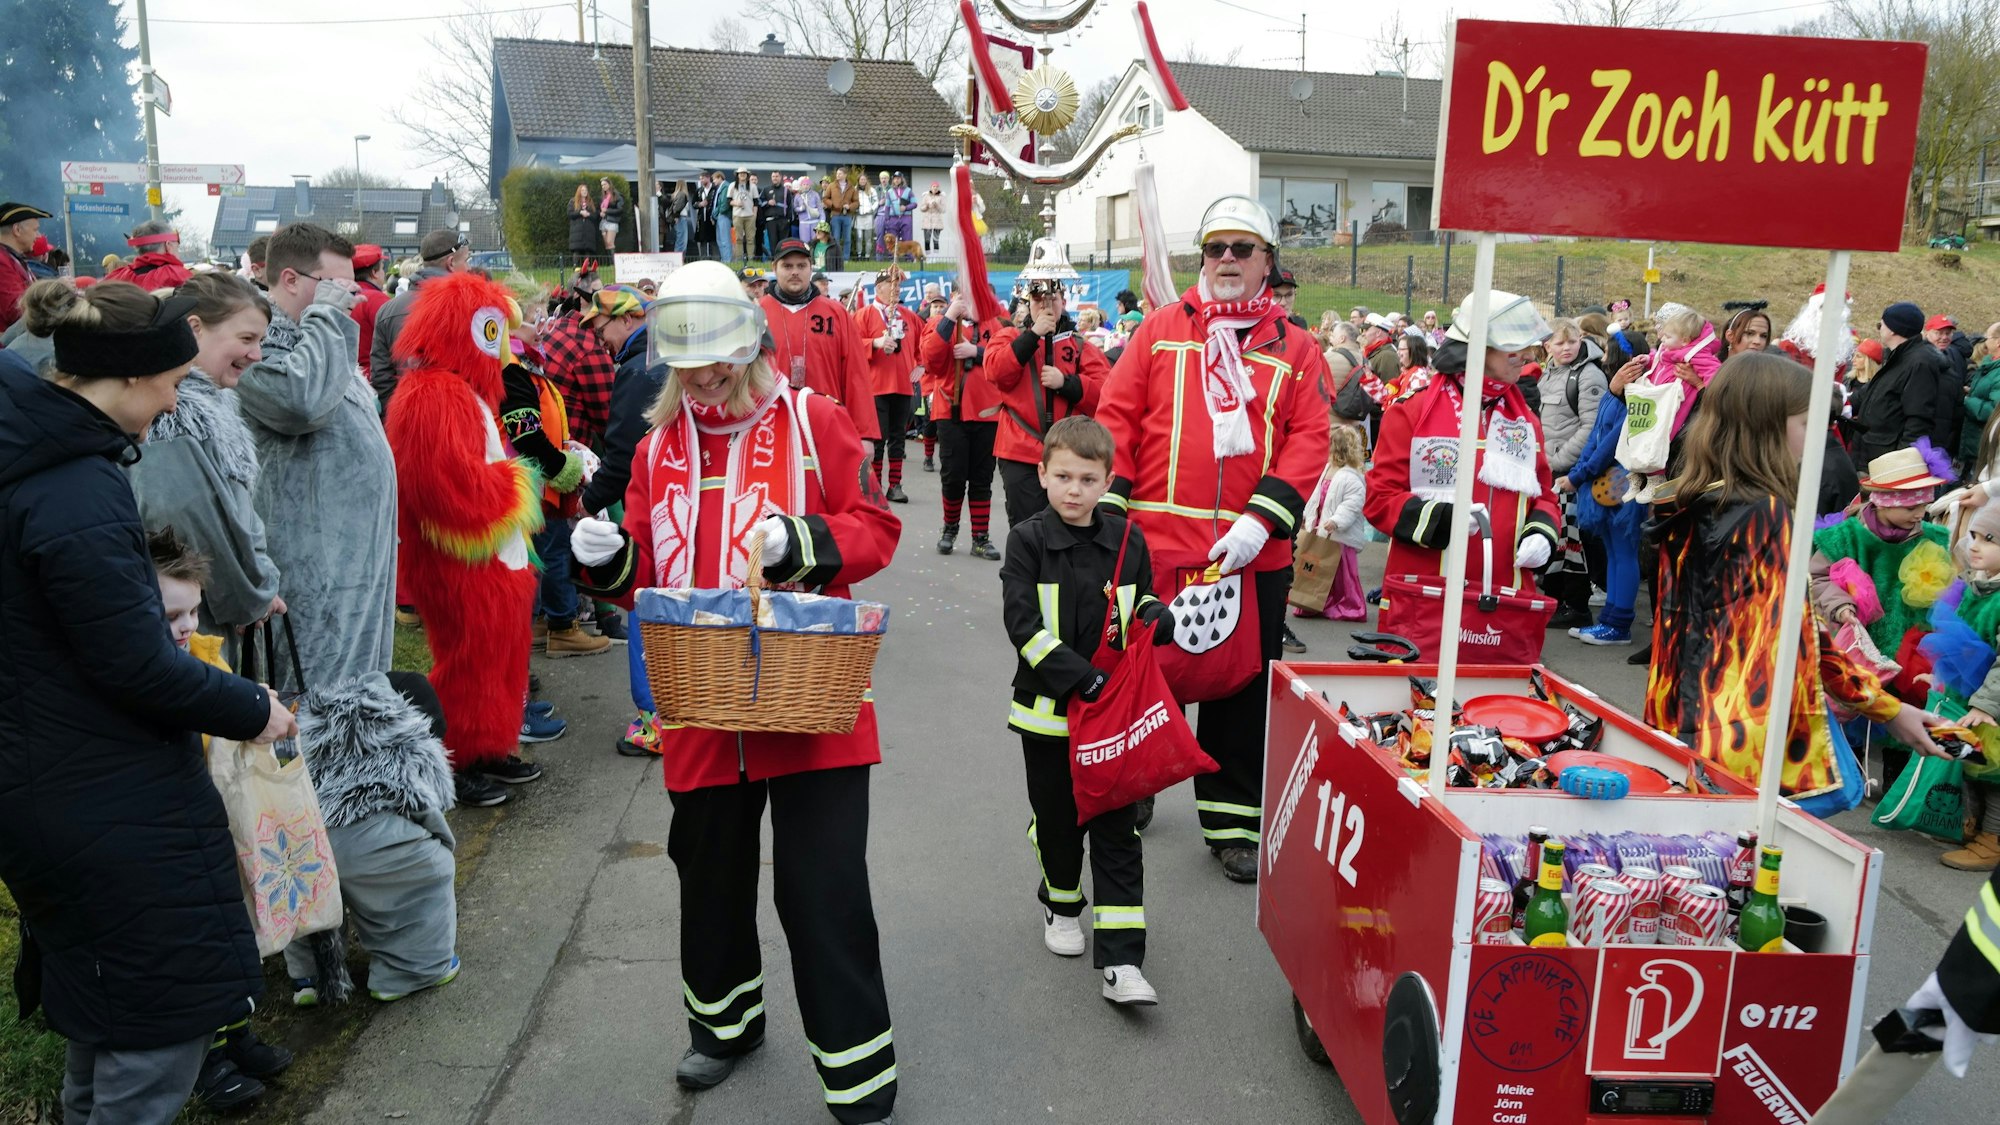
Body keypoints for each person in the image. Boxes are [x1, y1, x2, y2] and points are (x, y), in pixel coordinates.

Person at [568, 261, 901, 1124]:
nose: (706, 374)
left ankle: (859, 1074)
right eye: (689, 360)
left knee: (821, 888)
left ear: (751, 345)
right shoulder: (654, 448)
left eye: (719, 355)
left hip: (812, 704)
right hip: (702, 706)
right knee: (708, 878)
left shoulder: (814, 421)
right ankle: (725, 1026)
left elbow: (878, 527)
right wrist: (606, 561)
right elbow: (643, 563)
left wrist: (808, 540)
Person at [0, 280, 297, 1125]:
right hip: (98, 790)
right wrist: (250, 705)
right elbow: (132, 662)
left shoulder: (35, 457)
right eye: (169, 385)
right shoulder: (74, 489)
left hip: (44, 776)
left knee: (106, 996)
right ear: (128, 379)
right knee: (162, 1014)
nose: (172, 405)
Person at [1095, 195, 1330, 882]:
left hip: (1251, 554)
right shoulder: (1163, 328)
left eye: (1242, 249)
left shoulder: (1297, 346)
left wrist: (1262, 522)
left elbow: (1310, 438)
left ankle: (1230, 824)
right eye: (1215, 248)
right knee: (1144, 680)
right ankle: (1135, 784)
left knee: (1239, 693)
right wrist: (1111, 513)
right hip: (1156, 543)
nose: (1226, 259)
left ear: (1266, 263)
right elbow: (1118, 413)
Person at [1648, 353, 1948, 802]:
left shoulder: (1690, 500)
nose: (1820, 440)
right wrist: (1885, 707)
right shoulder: (1765, 515)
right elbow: (1799, 632)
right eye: (1808, 424)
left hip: (1678, 716)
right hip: (1742, 734)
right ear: (1766, 426)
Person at [235, 225, 456, 808]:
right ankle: (319, 816)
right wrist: (330, 319)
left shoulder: (317, 334)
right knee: (322, 695)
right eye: (334, 285)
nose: (351, 296)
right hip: (315, 566)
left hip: (358, 557)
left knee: (362, 688)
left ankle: (360, 801)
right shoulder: (259, 346)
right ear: (289, 279)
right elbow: (300, 402)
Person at [999, 415, 1170, 1005]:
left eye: (1088, 479)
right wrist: (1081, 677)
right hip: (1047, 717)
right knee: (1058, 821)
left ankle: (1123, 961)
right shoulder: (1026, 540)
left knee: (1117, 828)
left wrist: (1154, 614)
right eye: (1063, 476)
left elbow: (1140, 594)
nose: (1074, 490)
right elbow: (1022, 626)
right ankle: (1062, 904)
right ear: (1042, 473)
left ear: (1108, 482)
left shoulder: (1128, 539)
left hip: (1112, 716)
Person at [386, 270, 554, 803]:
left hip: (494, 556)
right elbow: (445, 488)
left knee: (501, 654)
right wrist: (517, 482)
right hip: (462, 562)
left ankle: (489, 745)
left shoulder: (461, 390)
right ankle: (456, 757)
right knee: (469, 658)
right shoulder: (433, 394)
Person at [146, 528, 294, 1109]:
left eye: (192, 611)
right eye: (170, 616)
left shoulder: (204, 654)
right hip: (173, 838)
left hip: (218, 826)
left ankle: (236, 1034)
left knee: (230, 938)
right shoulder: (148, 676)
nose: (185, 626)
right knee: (191, 956)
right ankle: (204, 1061)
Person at [1366, 290, 1559, 658]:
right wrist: (1443, 521)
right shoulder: (1411, 412)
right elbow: (1379, 499)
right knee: (1415, 709)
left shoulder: (1526, 422)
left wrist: (1543, 533)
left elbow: (1544, 496)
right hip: (1426, 600)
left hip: (1504, 600)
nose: (1528, 358)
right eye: (1514, 350)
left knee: (1496, 708)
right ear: (1478, 350)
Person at [126, 273, 283, 642]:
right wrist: (249, 596)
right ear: (195, 327)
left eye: (260, 341)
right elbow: (184, 520)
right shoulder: (174, 412)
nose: (256, 354)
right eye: (246, 339)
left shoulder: (207, 402)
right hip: (192, 616)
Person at [1811, 444, 1958, 788]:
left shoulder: (1934, 539)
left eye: (1923, 504)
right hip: (1857, 638)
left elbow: (1951, 588)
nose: (1919, 512)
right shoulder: (1845, 536)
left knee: (1906, 701)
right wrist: (1839, 605)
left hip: (1910, 640)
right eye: (1910, 505)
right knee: (1851, 697)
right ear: (1882, 500)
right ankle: (1847, 770)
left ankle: (1897, 779)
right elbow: (1816, 576)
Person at [576, 285, 664, 756]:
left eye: (601, 326)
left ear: (629, 320)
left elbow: (623, 456)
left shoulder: (638, 369)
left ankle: (655, 723)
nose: (598, 338)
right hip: (681, 499)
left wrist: (589, 502)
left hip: (652, 505)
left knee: (645, 601)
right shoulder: (666, 353)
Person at [984, 242, 1108, 528]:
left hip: (1071, 453)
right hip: (1020, 449)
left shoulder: (1080, 346)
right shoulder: (1008, 336)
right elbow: (996, 371)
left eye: (1052, 298)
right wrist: (1034, 335)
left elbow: (1104, 393)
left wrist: (1067, 383)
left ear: (1063, 300)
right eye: (1038, 298)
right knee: (1027, 529)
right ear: (1029, 301)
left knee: (1068, 531)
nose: (1046, 304)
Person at [1913, 502, 2000, 872]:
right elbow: (1958, 645)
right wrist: (1941, 677)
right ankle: (1969, 823)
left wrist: (1987, 704)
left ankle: (1992, 838)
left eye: (1990, 539)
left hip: (1990, 704)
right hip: (1967, 699)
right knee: (1968, 762)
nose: (1975, 545)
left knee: (1994, 772)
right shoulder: (1972, 588)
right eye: (1975, 536)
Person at [761, 238, 879, 451]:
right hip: (768, 429)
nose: (794, 272)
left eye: (801, 266)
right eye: (787, 266)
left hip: (827, 426)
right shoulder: (757, 314)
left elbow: (856, 374)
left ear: (810, 268)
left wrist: (865, 434)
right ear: (774, 268)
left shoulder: (836, 313)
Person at [920, 281, 1005, 557]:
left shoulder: (996, 324)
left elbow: (1006, 360)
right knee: (953, 476)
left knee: (982, 478)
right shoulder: (939, 322)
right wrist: (949, 316)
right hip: (951, 410)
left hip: (987, 413)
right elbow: (931, 359)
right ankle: (949, 529)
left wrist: (977, 352)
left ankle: (981, 536)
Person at [1536, 317, 1610, 631]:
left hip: (1571, 473)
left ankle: (1576, 605)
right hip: (1553, 469)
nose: (1566, 348)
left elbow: (1592, 429)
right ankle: (1559, 600)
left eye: (1572, 341)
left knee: (1573, 543)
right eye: (1559, 342)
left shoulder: (1589, 375)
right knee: (1560, 538)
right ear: (1547, 346)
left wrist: (1557, 462)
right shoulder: (1549, 374)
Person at [1618, 303, 1720, 505]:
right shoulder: (1669, 349)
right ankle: (1638, 475)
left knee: (1660, 439)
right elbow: (1660, 357)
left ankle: (1655, 478)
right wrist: (1648, 358)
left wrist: (1701, 384)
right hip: (1656, 402)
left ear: (1684, 340)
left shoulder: (1696, 356)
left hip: (1675, 406)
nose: (1662, 339)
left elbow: (1716, 376)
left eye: (1667, 337)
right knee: (1640, 434)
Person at [370, 229, 470, 404]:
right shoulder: (468, 307)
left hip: (403, 417)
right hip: (456, 418)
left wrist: (393, 419)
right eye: (466, 261)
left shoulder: (387, 310)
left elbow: (381, 377)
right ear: (451, 263)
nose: (468, 268)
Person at [1851, 301, 1948, 468]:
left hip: (1888, 462)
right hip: (1872, 452)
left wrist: (1901, 467)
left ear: (1893, 329)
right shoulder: (1898, 357)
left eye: (1880, 324)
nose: (1879, 328)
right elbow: (1872, 392)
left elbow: (1918, 420)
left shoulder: (1919, 363)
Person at [856, 272, 924, 503]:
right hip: (875, 386)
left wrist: (922, 366)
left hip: (903, 386)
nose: (896, 289)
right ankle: (874, 486)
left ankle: (895, 485)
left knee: (898, 438)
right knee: (877, 439)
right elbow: (852, 347)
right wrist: (874, 343)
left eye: (899, 285)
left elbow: (923, 343)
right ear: (878, 288)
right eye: (890, 284)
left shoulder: (908, 316)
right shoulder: (864, 315)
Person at [1295, 424, 1369, 621]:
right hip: (1321, 528)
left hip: (1339, 534)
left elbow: (1352, 505)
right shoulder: (1327, 469)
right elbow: (1315, 496)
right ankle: (1316, 602)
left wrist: (1336, 521)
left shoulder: (1352, 476)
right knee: (1318, 569)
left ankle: (1349, 605)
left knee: (1342, 575)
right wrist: (1307, 516)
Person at [0, 201, 51, 333]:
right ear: (17, 230)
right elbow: (16, 311)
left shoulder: (11, 258)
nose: (38, 236)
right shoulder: (2, 260)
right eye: (35, 230)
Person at [348, 243, 393, 380]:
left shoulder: (342, 295)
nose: (383, 273)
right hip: (372, 378)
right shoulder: (376, 299)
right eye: (382, 269)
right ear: (374, 273)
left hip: (348, 375)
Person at [1963, 323, 2000, 470]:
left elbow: (1994, 410)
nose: (1985, 341)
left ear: (1998, 342)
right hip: (1974, 441)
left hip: (1985, 446)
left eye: (1987, 337)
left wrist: (1967, 400)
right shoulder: (1990, 364)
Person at [826, 167, 859, 261]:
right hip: (835, 215)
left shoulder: (852, 188)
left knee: (847, 239)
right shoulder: (831, 186)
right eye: (837, 173)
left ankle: (845, 259)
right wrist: (832, 205)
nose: (837, 175)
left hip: (847, 216)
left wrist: (850, 206)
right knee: (835, 238)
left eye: (840, 173)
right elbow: (825, 198)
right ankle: (835, 258)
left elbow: (856, 202)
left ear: (845, 175)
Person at [759, 171, 793, 261]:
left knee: (783, 244)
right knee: (773, 243)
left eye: (777, 176)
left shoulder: (786, 191)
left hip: (783, 221)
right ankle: (775, 262)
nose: (775, 178)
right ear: (771, 178)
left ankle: (784, 262)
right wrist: (768, 203)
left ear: (780, 177)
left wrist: (788, 220)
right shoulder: (766, 189)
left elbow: (790, 206)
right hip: (771, 221)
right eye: (773, 176)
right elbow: (759, 202)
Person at [879, 173, 915, 255]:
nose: (897, 180)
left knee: (907, 238)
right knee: (891, 238)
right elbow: (887, 206)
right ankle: (893, 258)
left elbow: (914, 203)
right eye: (895, 178)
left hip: (906, 217)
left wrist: (906, 208)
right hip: (893, 218)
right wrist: (887, 219)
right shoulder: (889, 191)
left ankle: (908, 258)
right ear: (893, 180)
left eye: (899, 178)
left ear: (902, 179)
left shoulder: (908, 190)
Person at [729, 169, 759, 263]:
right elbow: (728, 200)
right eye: (740, 173)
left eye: (744, 173)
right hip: (737, 215)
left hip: (749, 215)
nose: (742, 175)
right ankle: (739, 259)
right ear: (737, 175)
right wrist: (736, 203)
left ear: (747, 175)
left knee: (750, 238)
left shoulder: (752, 186)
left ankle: (751, 259)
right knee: (738, 238)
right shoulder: (732, 185)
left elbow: (756, 202)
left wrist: (754, 215)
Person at [567, 184, 597, 268]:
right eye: (583, 190)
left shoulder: (590, 202)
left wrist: (588, 214)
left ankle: (586, 267)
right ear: (579, 191)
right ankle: (575, 266)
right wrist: (580, 212)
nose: (584, 192)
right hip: (577, 230)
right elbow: (570, 214)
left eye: (586, 190)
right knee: (577, 249)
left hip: (588, 230)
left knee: (588, 249)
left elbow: (595, 215)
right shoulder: (573, 201)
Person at [794, 176, 826, 246]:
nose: (805, 186)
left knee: (816, 242)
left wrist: (822, 221)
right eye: (804, 184)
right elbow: (795, 208)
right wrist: (800, 209)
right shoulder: (798, 196)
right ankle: (806, 257)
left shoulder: (815, 194)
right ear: (801, 185)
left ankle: (816, 256)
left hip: (815, 222)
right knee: (805, 243)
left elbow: (820, 208)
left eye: (807, 184)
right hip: (803, 223)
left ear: (810, 185)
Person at [916, 181, 946, 254]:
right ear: (931, 187)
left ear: (938, 188)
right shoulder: (926, 196)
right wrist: (927, 205)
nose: (935, 188)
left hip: (937, 222)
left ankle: (935, 257)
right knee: (927, 240)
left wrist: (937, 205)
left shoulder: (941, 197)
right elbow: (921, 208)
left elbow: (943, 209)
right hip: (927, 221)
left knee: (936, 240)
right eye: (933, 186)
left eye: (936, 187)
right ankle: (928, 256)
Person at [855, 175, 878, 263]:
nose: (863, 181)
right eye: (861, 179)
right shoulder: (855, 190)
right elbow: (852, 200)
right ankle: (859, 255)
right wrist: (855, 208)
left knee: (868, 238)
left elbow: (876, 201)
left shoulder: (872, 190)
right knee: (859, 237)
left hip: (868, 216)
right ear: (858, 180)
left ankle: (867, 256)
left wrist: (871, 209)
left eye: (864, 179)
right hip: (858, 216)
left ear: (866, 180)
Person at [597, 177, 624, 252]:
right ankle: (610, 262)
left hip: (612, 221)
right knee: (606, 244)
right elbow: (600, 208)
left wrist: (607, 211)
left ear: (609, 184)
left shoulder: (617, 195)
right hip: (604, 221)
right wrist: (601, 213)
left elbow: (620, 209)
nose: (603, 186)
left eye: (605, 184)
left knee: (610, 242)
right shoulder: (603, 196)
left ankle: (614, 262)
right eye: (602, 185)